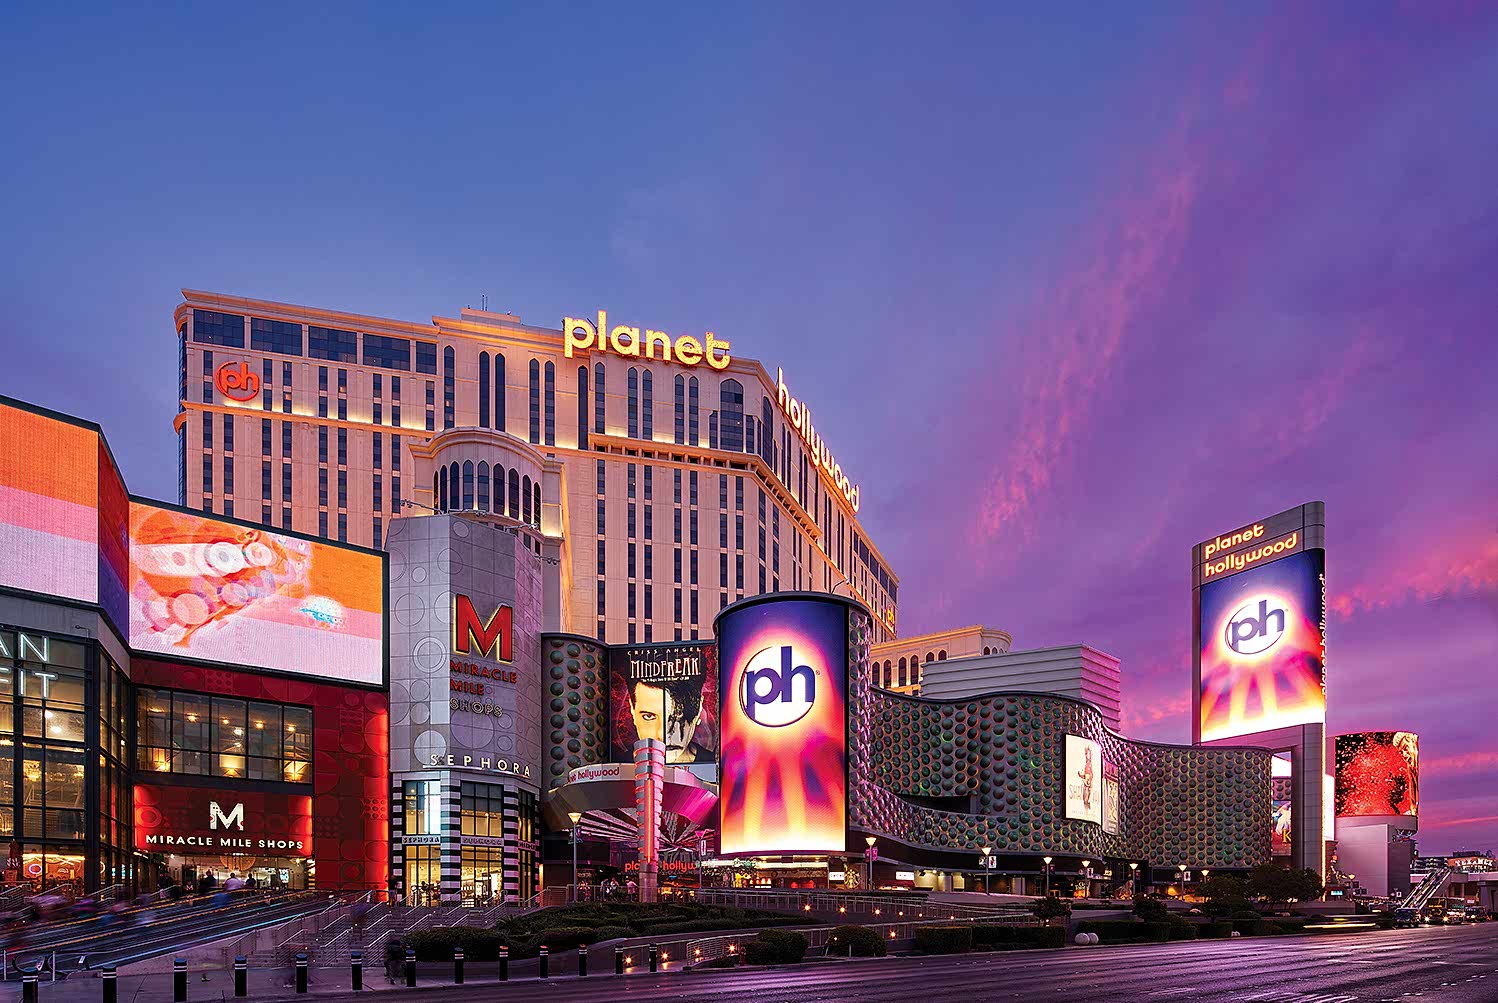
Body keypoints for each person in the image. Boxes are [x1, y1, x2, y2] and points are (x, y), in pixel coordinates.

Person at [627, 671, 707, 763]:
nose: (664, 735)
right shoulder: (615, 765)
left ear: (699, 708)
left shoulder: (718, 765)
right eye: (648, 716)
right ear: (632, 710)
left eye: (677, 714)